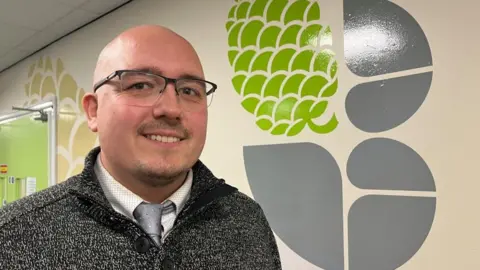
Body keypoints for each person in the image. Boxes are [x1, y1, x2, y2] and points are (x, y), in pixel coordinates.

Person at [0, 25, 282, 269]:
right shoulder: (13, 234)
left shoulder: (246, 221)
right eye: (140, 85)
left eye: (188, 91)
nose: (171, 109)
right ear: (93, 111)